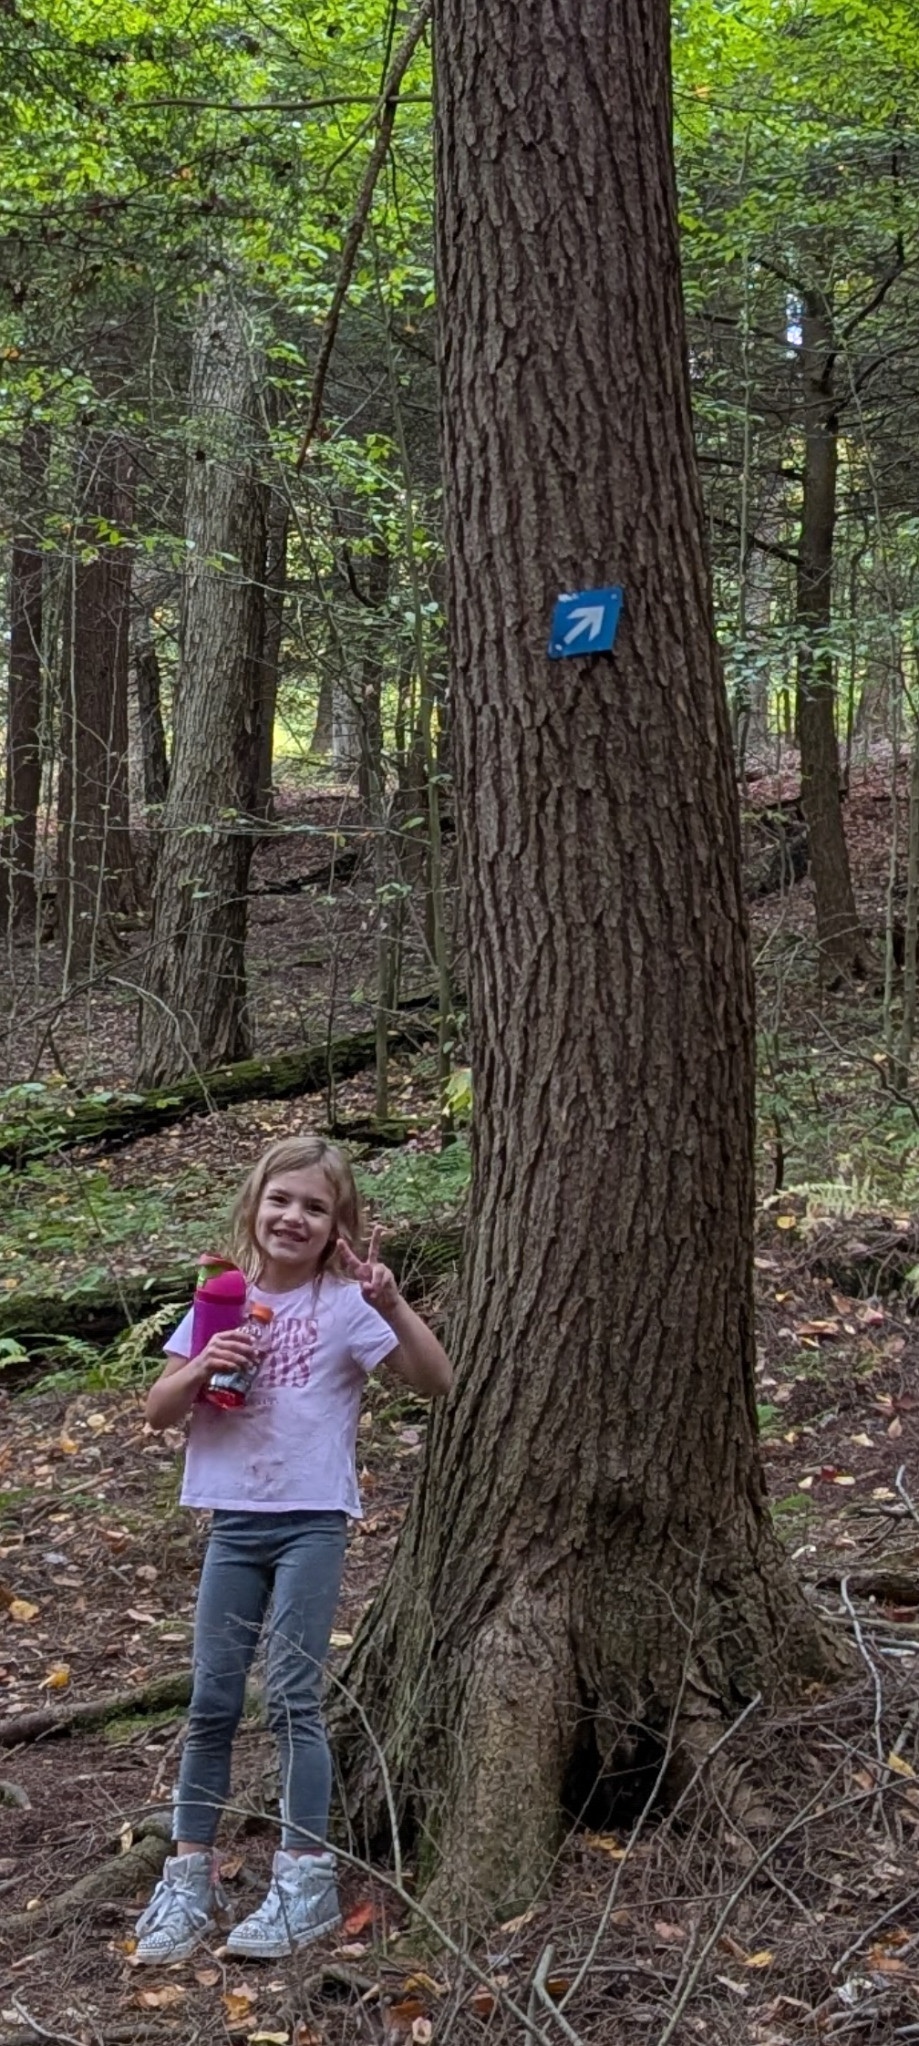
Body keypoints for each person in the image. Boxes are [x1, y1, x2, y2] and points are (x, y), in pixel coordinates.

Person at [134, 1135, 452, 1965]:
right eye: (281, 1199)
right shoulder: (221, 1296)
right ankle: (188, 1879)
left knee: (291, 1701)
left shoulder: (345, 1305)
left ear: (338, 1225)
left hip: (311, 1520)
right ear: (254, 1205)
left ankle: (304, 1881)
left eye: (315, 1207)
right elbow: (159, 1411)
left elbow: (435, 1380)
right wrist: (203, 1362)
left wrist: (392, 1304)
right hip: (232, 1523)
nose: (293, 1217)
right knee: (211, 1701)